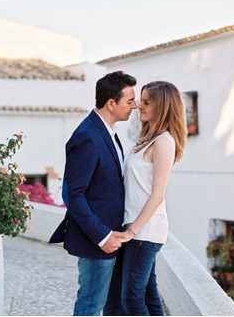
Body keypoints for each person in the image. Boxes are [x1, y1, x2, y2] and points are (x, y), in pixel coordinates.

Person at [50, 71, 137, 316]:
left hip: (113, 237)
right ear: (111, 103)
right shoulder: (87, 136)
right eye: (129, 101)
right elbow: (73, 194)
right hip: (97, 240)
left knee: (110, 305)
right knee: (90, 305)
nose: (135, 106)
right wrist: (103, 236)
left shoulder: (106, 131)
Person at [104, 81, 187, 316]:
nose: (140, 106)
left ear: (162, 107)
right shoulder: (148, 139)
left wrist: (131, 232)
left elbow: (158, 195)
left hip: (145, 232)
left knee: (130, 297)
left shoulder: (164, 142)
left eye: (147, 102)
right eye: (141, 100)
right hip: (135, 228)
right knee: (148, 294)